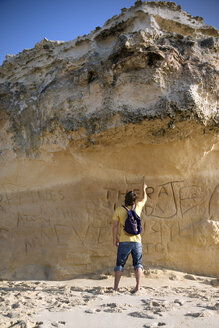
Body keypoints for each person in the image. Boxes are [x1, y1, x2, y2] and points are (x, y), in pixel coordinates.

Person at [112, 182, 147, 292]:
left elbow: (115, 226)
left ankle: (116, 287)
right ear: (134, 200)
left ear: (125, 199)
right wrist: (144, 189)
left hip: (124, 240)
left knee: (120, 264)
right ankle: (138, 287)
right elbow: (144, 199)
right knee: (138, 264)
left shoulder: (119, 210)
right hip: (137, 240)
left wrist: (115, 238)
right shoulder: (138, 207)